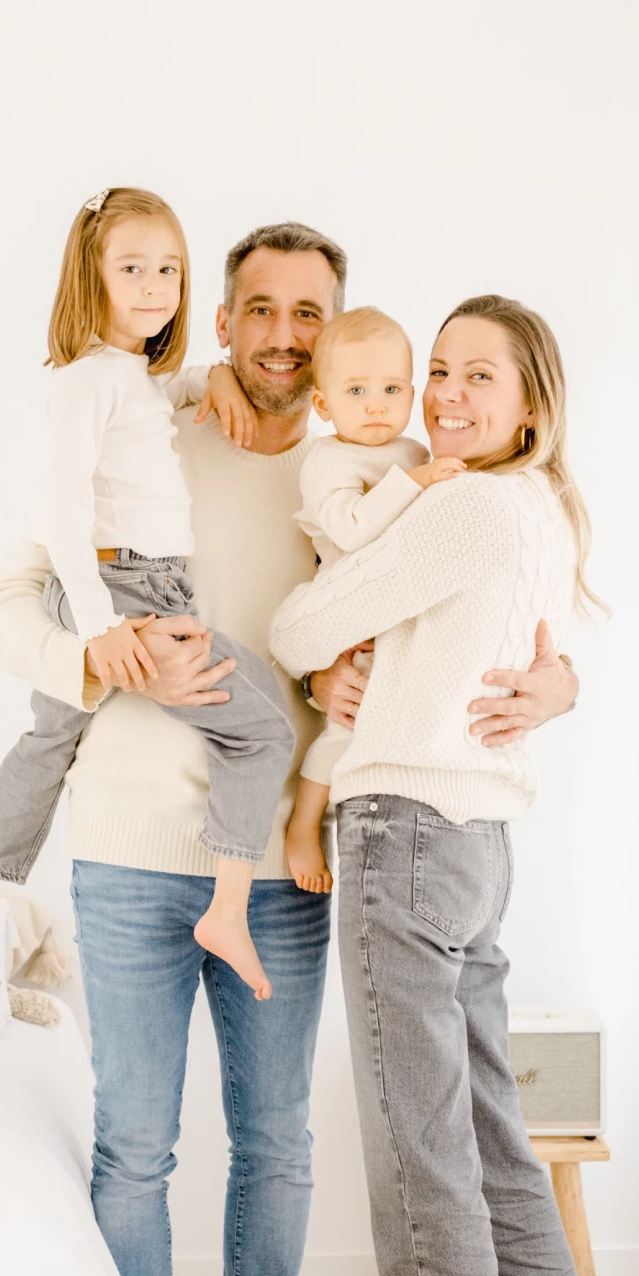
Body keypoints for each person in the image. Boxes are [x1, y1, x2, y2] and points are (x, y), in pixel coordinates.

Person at [0, 233, 581, 1276]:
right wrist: (99, 662)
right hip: (137, 851)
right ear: (225, 316)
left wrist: (552, 680)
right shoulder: (147, 433)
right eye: (261, 307)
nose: (286, 333)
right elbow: (5, 604)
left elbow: (488, 597)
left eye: (313, 313)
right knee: (136, 1146)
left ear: (342, 331)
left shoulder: (376, 470)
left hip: (290, 860)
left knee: (279, 1141)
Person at [270, 293, 605, 1276]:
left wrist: (330, 658)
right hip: (478, 846)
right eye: (442, 373)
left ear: (530, 404)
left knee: (421, 1160)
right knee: (490, 1134)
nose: (449, 397)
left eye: (480, 378)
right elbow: (539, 664)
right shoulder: (539, 512)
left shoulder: (456, 503)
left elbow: (302, 623)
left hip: (406, 831)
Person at [0, 187, 293, 999]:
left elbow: (162, 398)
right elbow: (60, 511)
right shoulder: (87, 379)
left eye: (168, 268)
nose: (155, 286)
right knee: (262, 731)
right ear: (90, 278)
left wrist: (213, 382)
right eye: (132, 269)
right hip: (125, 589)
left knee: (45, 746)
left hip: (138, 583)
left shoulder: (128, 376)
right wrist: (98, 632)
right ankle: (228, 908)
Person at [282, 305, 466, 893]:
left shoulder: (414, 453)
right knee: (342, 732)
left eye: (391, 389)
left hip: (404, 621)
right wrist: (415, 483)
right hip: (353, 621)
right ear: (322, 403)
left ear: (412, 392)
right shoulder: (328, 458)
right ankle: (305, 824)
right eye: (356, 390)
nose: (376, 405)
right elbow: (353, 528)